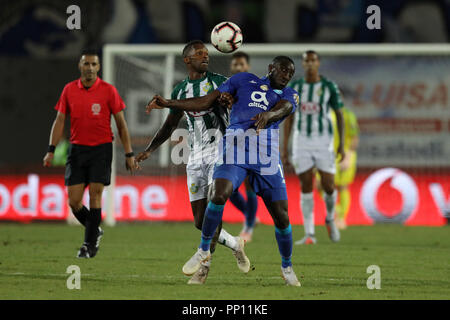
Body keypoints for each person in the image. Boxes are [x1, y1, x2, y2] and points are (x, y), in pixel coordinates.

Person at [147, 56, 302, 286]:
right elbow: (206, 101)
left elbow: (284, 109)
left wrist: (269, 115)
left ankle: (287, 266)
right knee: (218, 194)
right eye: (282, 70)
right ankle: (202, 251)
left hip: (266, 155)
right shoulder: (241, 80)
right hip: (235, 148)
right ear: (270, 68)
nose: (287, 75)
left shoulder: (290, 94)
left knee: (281, 216)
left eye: (290, 73)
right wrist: (169, 103)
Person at [135, 40, 250, 285]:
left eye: (207, 53)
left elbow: (207, 102)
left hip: (220, 151)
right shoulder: (179, 91)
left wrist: (230, 102)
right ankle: (234, 243)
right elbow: (170, 125)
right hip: (195, 156)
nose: (205, 57)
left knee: (212, 209)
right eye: (199, 54)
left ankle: (203, 266)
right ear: (187, 60)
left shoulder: (219, 82)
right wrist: (150, 149)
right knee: (200, 222)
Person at [43, 49, 138, 258]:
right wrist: (51, 150)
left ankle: (88, 245)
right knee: (74, 202)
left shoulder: (108, 90)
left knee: (96, 194)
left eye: (94, 64)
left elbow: (121, 124)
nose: (90, 68)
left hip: (101, 149)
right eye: (86, 64)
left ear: (99, 67)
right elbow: (59, 121)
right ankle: (94, 229)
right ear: (80, 66)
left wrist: (129, 153)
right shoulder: (69, 90)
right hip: (77, 150)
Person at [282, 50, 344, 245]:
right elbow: (289, 116)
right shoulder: (295, 86)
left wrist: (341, 143)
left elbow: (339, 114)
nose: (310, 64)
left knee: (328, 185)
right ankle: (309, 234)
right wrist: (285, 147)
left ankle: (330, 217)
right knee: (306, 184)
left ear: (318, 63)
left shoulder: (328, 86)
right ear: (303, 64)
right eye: (306, 61)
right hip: (302, 142)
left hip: (324, 141)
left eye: (313, 60)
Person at [228, 51, 259, 242]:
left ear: (247, 66)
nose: (238, 68)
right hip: (228, 140)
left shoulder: (254, 87)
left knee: (249, 185)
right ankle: (251, 216)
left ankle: (248, 227)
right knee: (229, 188)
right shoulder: (225, 86)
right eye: (235, 65)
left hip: (249, 139)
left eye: (242, 65)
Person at [317, 105, 359, 230]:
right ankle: (336, 209)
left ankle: (341, 218)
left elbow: (354, 137)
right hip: (326, 154)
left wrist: (349, 156)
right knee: (319, 185)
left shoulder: (347, 115)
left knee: (342, 186)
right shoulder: (323, 114)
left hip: (343, 154)